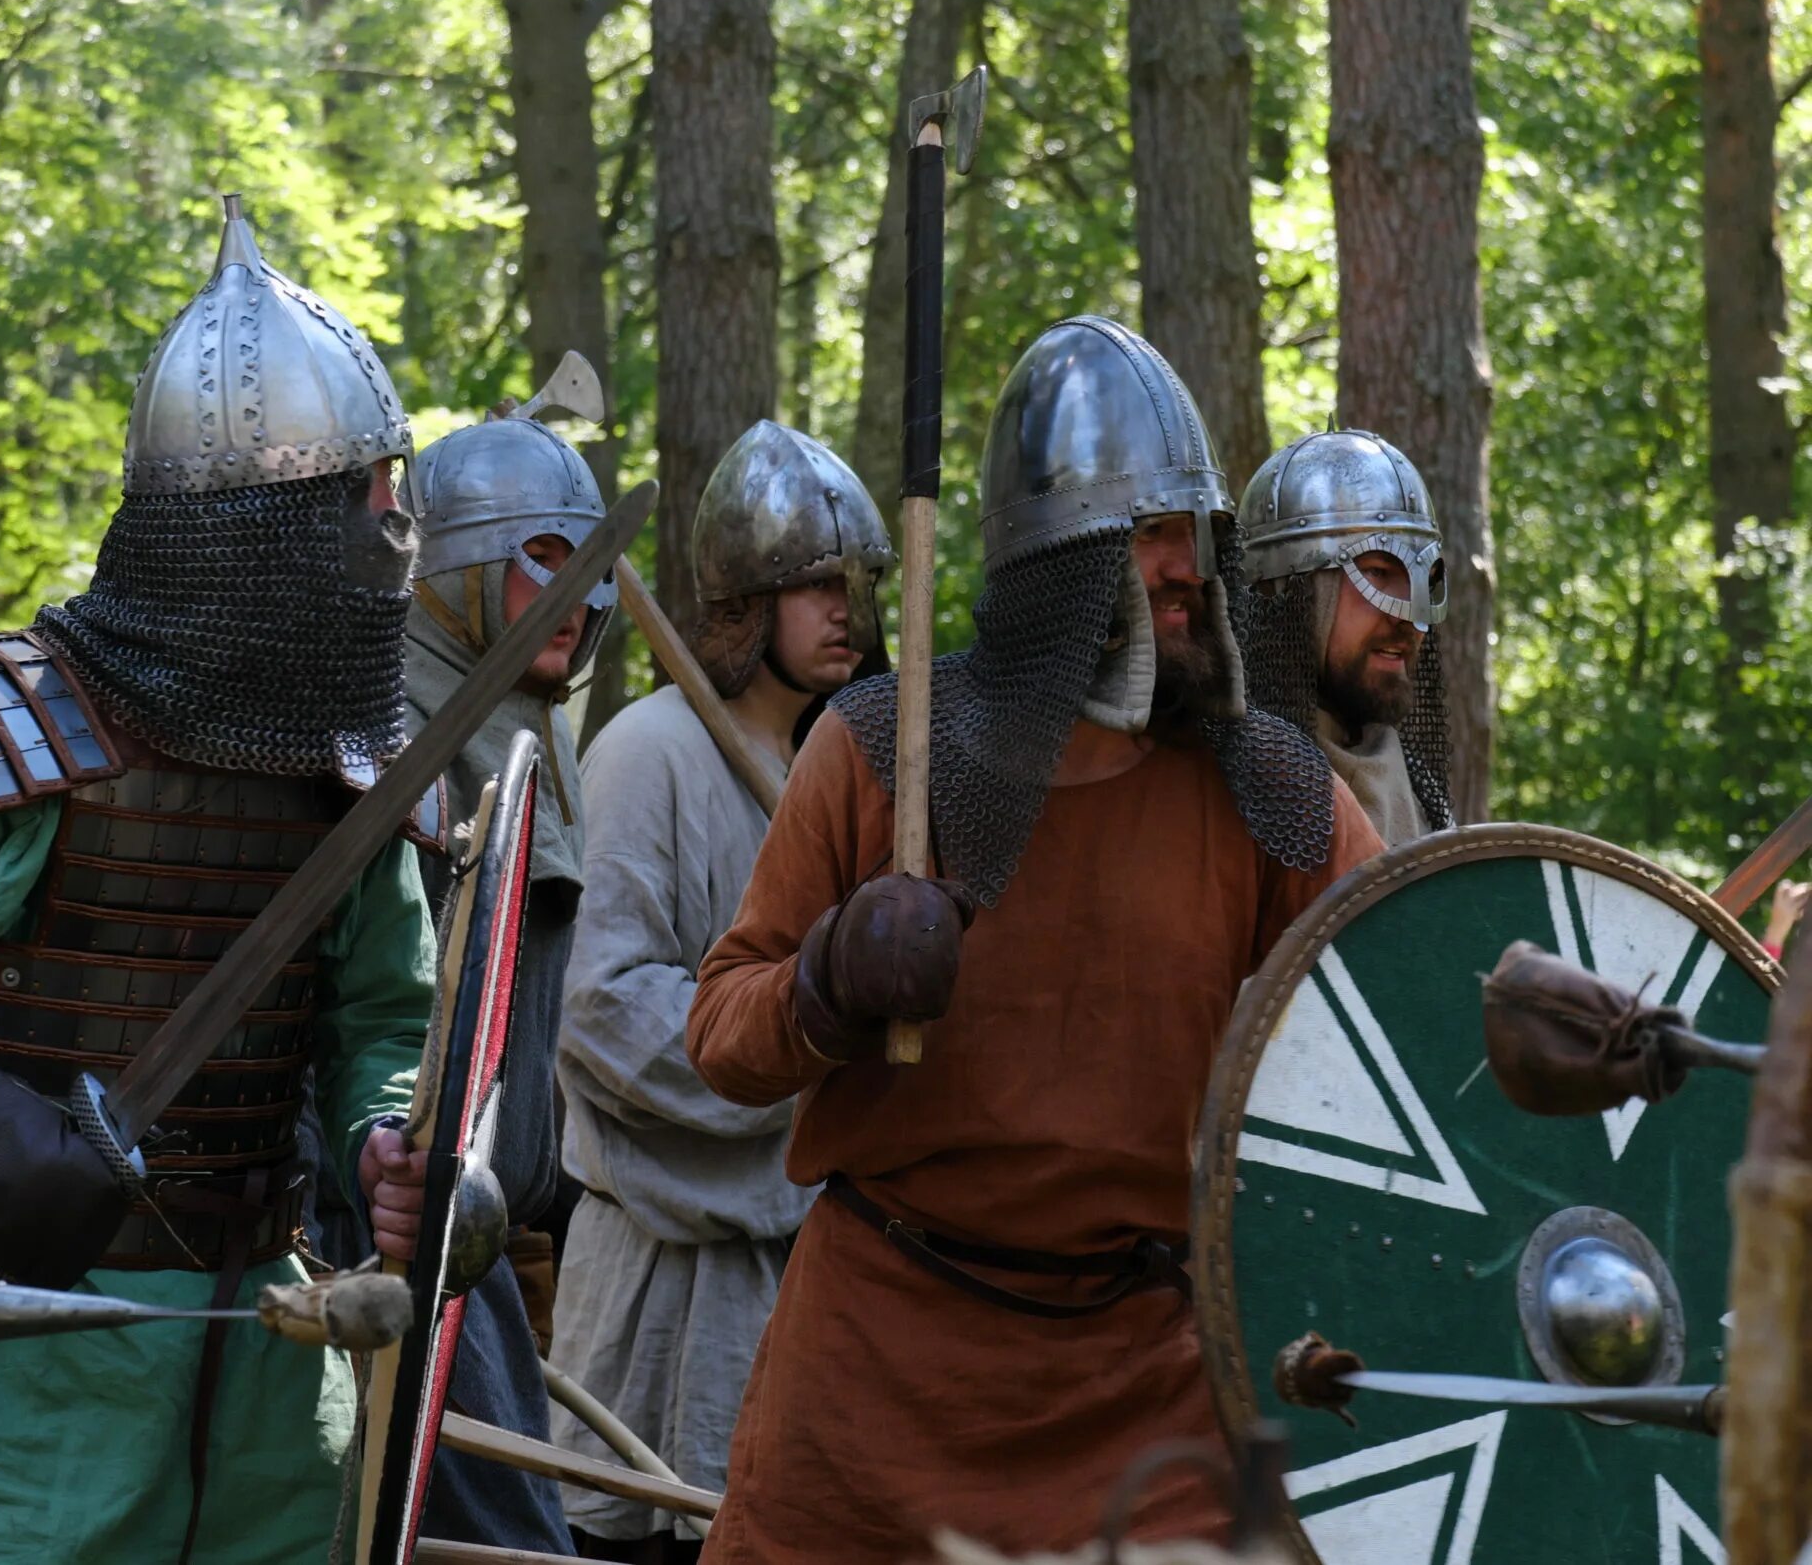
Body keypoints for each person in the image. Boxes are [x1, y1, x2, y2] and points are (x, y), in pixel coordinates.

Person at [0, 195, 440, 1565]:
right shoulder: (4, 734)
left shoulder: (347, 766)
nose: (392, 528)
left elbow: (383, 1022)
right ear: (259, 523)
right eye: (367, 495)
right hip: (11, 1373)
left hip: (270, 1382)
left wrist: (392, 1145)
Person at [685, 316, 1384, 1561]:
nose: (1188, 569)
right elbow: (723, 1032)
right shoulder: (880, 750)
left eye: (1197, 533)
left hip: (1144, 1384)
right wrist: (828, 979)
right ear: (1061, 556)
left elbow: (1400, 990)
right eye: (1150, 533)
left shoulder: (1264, 787)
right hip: (875, 1372)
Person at [552, 420, 890, 1563]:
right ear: (748, 602)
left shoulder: (854, 768)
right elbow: (600, 1001)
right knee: (639, 1538)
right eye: (811, 586)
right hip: (661, 1276)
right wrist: (798, 1058)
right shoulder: (649, 753)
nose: (843, 607)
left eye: (854, 584)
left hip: (809, 1267)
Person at [386, 405, 616, 1552]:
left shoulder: (534, 732)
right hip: (388, 1245)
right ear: (459, 572)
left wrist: (537, 1222)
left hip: (494, 1249)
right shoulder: (383, 731)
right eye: (548, 560)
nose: (588, 596)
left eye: (595, 568)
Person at [1236, 426, 1454, 844]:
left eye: (1423, 579)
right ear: (1285, 591)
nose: (1410, 617)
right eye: (1377, 572)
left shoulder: (1417, 794)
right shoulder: (1232, 782)